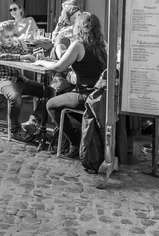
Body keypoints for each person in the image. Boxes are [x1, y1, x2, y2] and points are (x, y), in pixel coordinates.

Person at [35, 12, 107, 158]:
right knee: (65, 102)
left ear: (79, 27)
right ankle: (84, 133)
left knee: (51, 105)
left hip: (86, 96)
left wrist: (41, 61)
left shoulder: (79, 45)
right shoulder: (102, 44)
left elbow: (59, 67)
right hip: (100, 95)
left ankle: (74, 142)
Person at [0, 20, 47, 140]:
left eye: (12, 36)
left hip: (20, 79)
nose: (10, 39)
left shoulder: (15, 46)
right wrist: (21, 57)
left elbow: (26, 53)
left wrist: (35, 54)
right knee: (15, 97)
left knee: (49, 91)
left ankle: (34, 120)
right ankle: (14, 129)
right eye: (7, 37)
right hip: (3, 80)